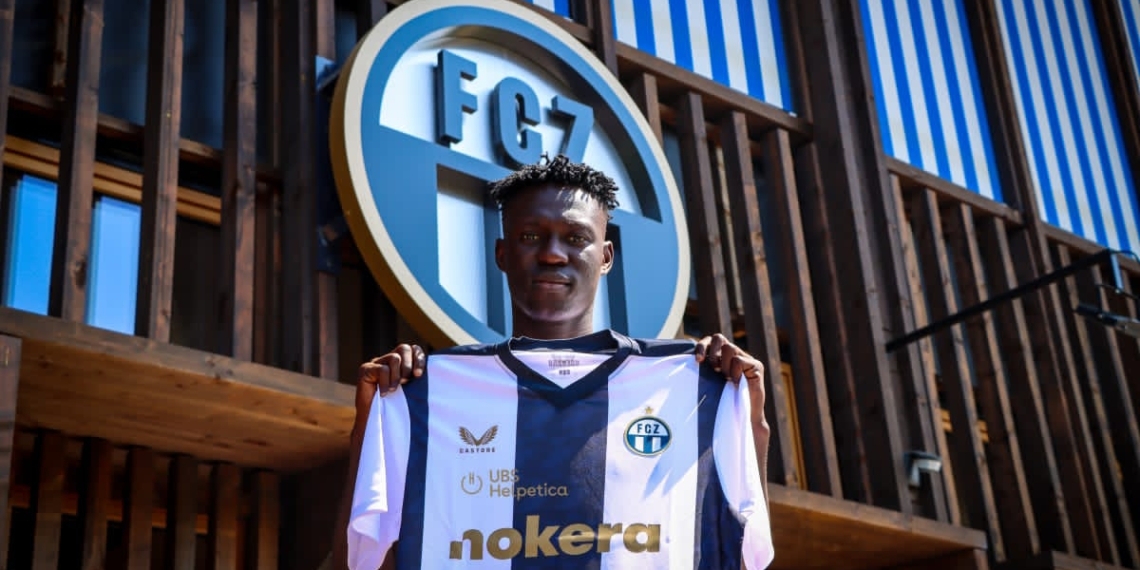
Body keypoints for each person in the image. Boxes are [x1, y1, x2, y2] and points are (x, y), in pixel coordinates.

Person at [329, 155, 771, 569]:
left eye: (576, 238)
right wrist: (370, 424)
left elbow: (751, 551)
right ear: (502, 254)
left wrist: (749, 420)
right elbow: (356, 558)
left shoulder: (692, 391)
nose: (553, 254)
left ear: (606, 257)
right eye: (530, 237)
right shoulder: (428, 395)